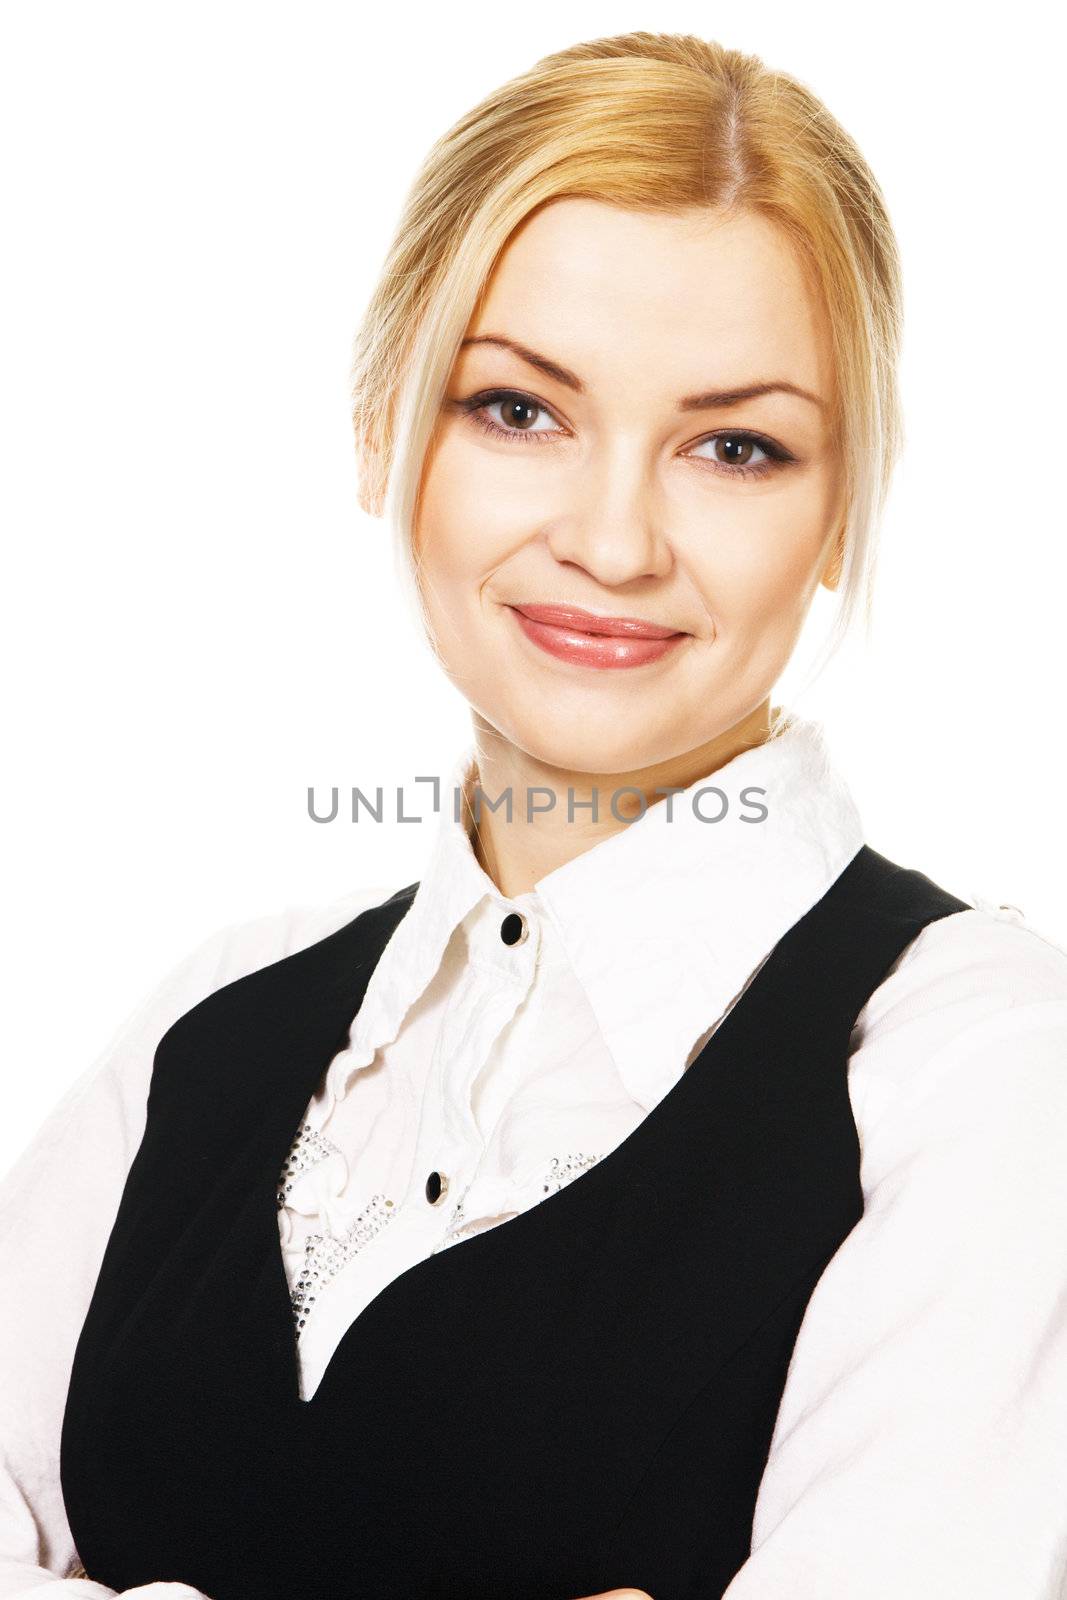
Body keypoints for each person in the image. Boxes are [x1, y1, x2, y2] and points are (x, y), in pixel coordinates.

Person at [3, 28, 1067, 1600]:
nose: (615, 538)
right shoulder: (208, 1031)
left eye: (735, 446)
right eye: (519, 412)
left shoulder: (970, 1072)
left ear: (840, 512)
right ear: (385, 429)